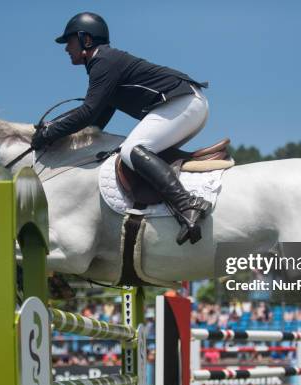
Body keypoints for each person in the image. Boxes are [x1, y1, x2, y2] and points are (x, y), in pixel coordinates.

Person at [32, 12, 211, 244]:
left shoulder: (103, 61)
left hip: (183, 103)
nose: (66, 48)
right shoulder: (105, 63)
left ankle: (188, 205)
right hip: (186, 104)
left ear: (86, 39)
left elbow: (88, 112)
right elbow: (96, 122)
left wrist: (49, 132)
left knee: (131, 149)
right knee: (131, 150)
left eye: (70, 41)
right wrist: (59, 136)